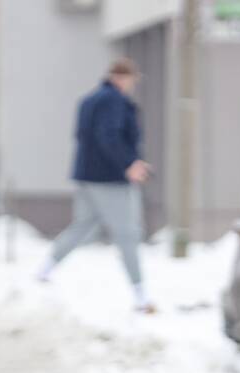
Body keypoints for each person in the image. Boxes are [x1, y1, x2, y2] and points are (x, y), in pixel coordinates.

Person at [39, 58, 155, 313]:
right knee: (127, 233)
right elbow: (109, 135)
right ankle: (140, 294)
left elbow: (84, 136)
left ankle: (45, 270)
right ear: (124, 78)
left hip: (87, 176)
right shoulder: (114, 101)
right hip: (110, 180)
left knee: (83, 226)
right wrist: (129, 164)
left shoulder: (89, 100)